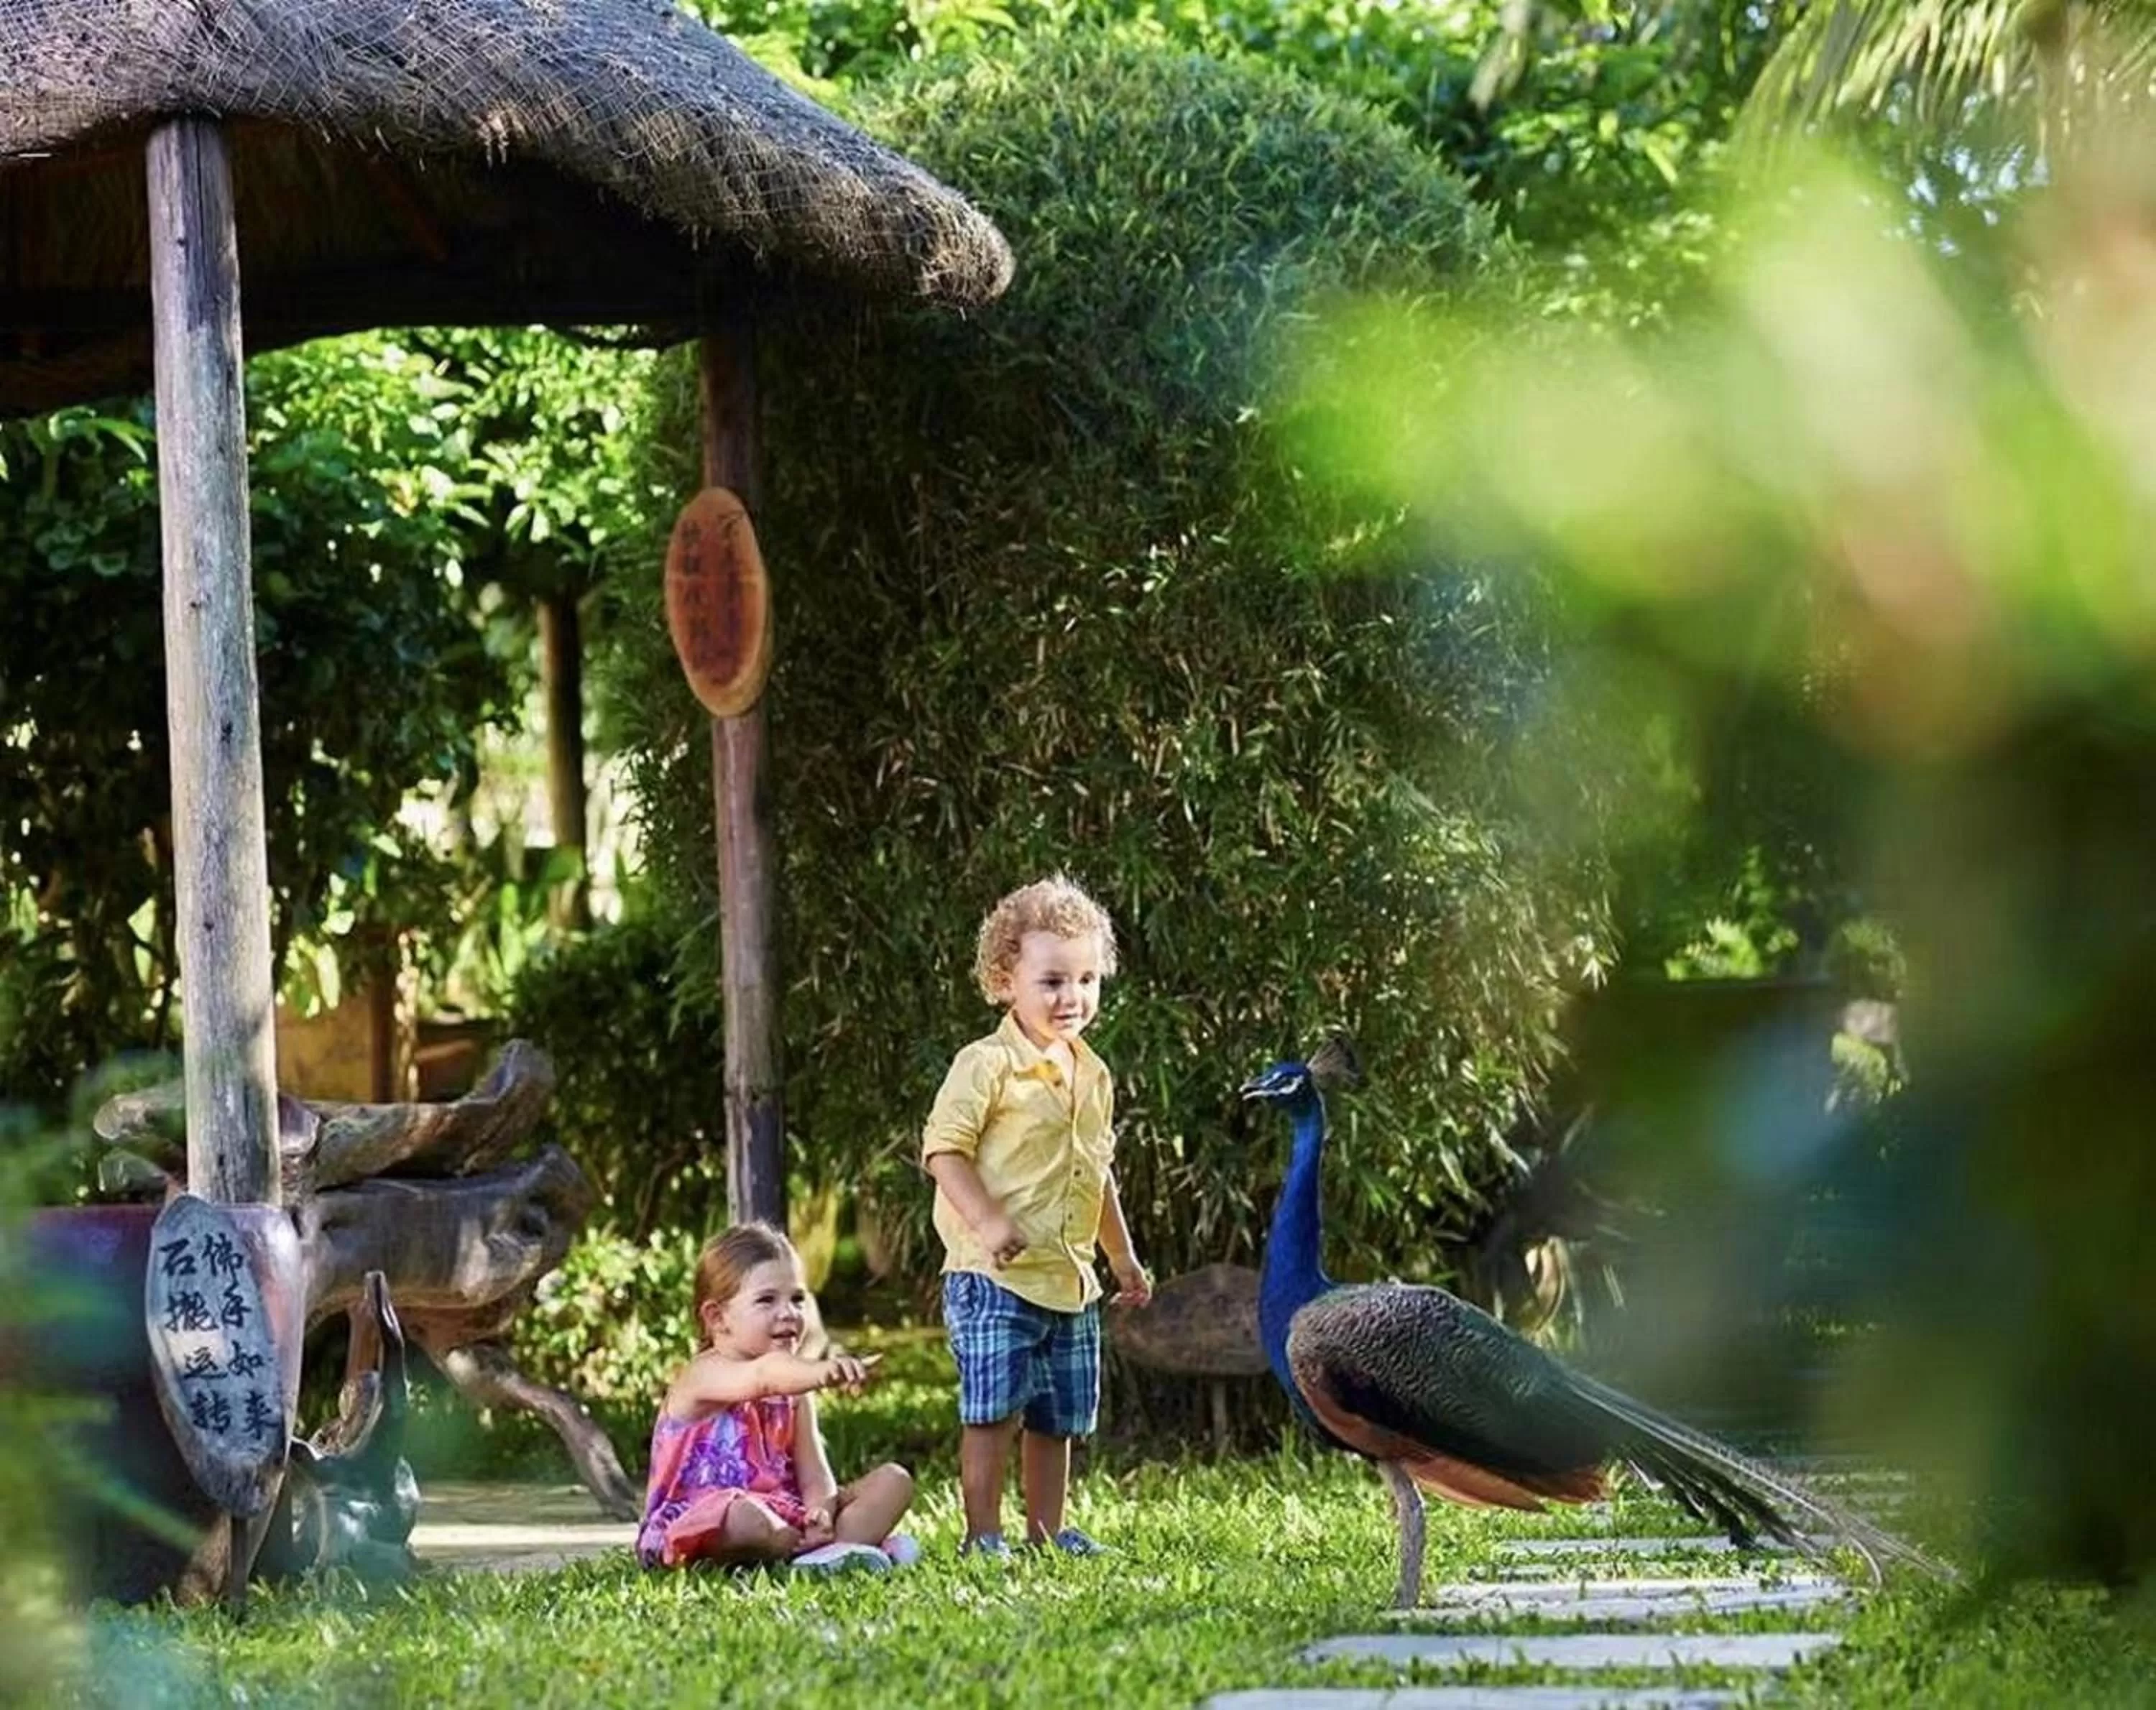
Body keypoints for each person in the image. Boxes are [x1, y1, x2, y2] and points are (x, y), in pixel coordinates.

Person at [923, 874, 1153, 1557]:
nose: (1072, 998)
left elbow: (1096, 1173)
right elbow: (943, 1151)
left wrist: (1121, 1257)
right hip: (992, 1276)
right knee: (993, 1410)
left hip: (1067, 1278)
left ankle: (1047, 1534)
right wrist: (989, 1222)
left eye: (1086, 980)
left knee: (1058, 1417)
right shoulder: (986, 1065)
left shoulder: (1093, 1073)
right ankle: (983, 1535)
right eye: (1053, 981)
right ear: (1004, 979)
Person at [637, 1221, 918, 1573]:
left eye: (797, 1299)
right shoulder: (702, 1375)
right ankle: (834, 1551)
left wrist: (821, 1512)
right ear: (717, 1318)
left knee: (894, 1481)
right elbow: (764, 1376)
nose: (788, 1312)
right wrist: (823, 1372)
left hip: (787, 1516)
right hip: (706, 1521)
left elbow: (815, 1474)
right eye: (767, 1300)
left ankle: (823, 1553)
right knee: (746, 1518)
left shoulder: (795, 1393)